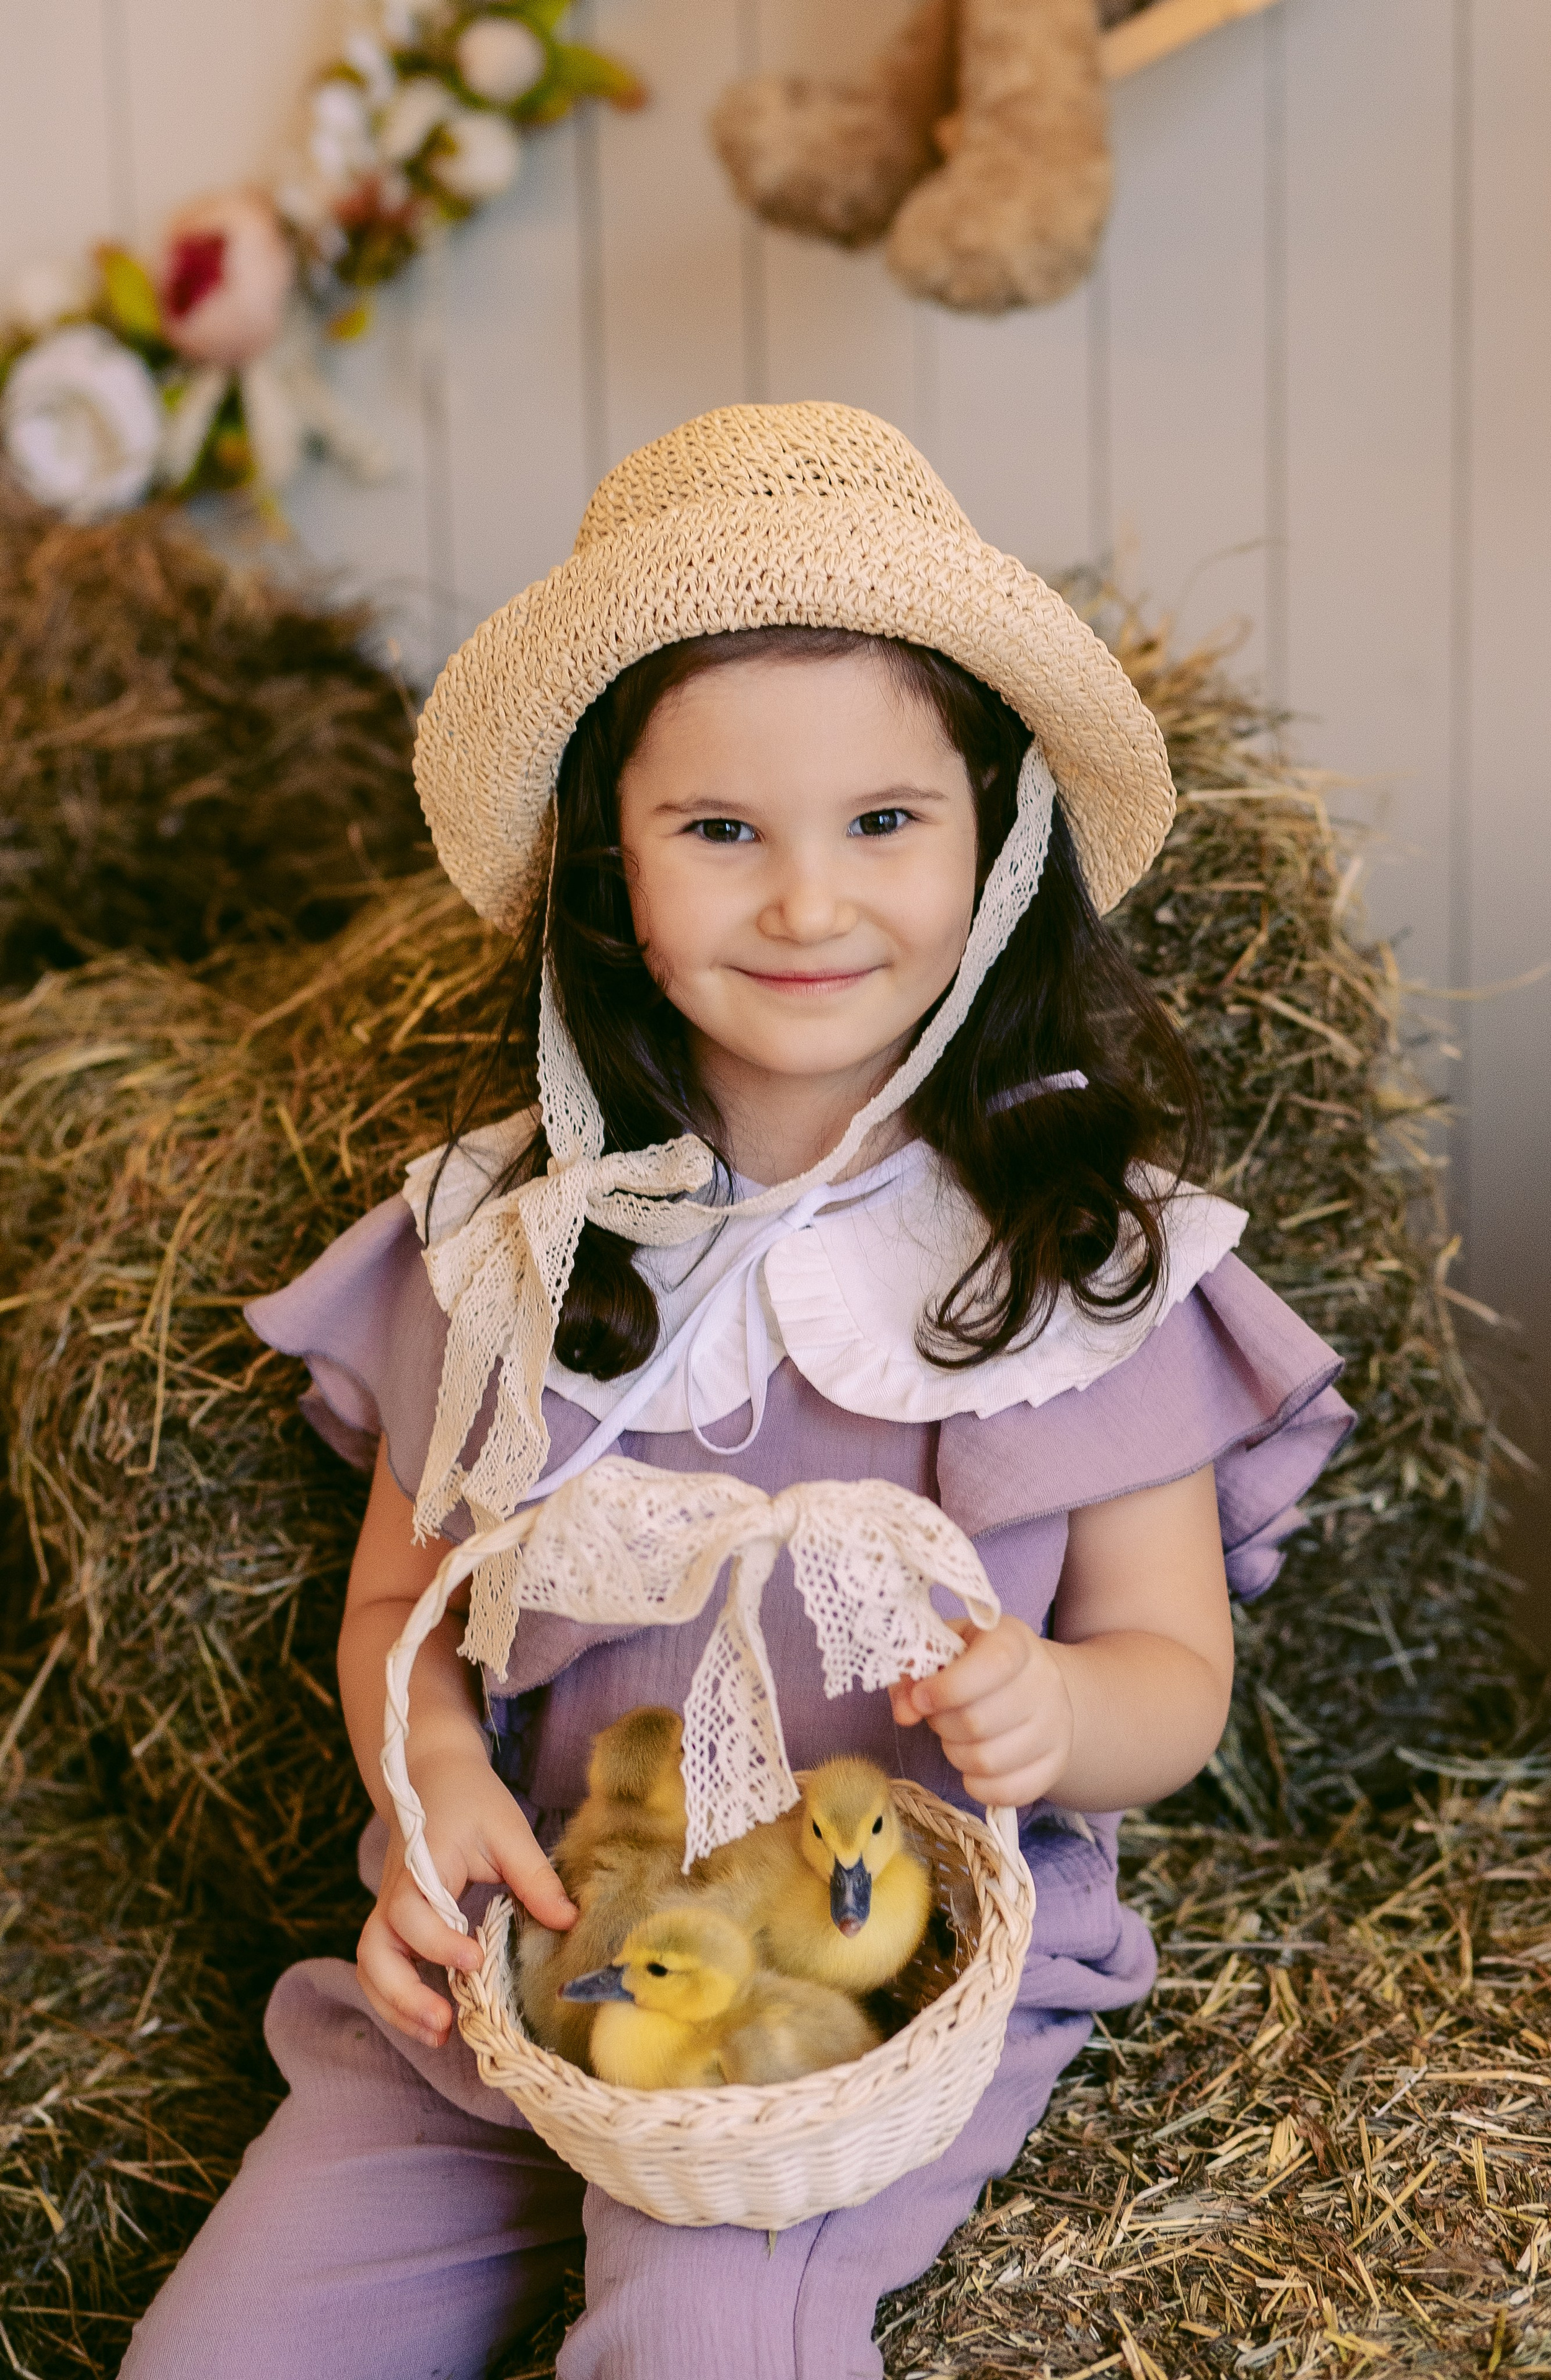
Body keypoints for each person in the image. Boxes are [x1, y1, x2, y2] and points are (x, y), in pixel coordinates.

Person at [121, 402, 1351, 2379]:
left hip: (866, 1989)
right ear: (612, 874)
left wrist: (1059, 1711)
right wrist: (436, 1789)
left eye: (883, 823)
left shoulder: (1067, 1257)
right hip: (541, 1944)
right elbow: (398, 1607)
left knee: (705, 2333)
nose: (805, 904)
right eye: (719, 831)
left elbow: (1173, 1676)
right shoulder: (515, 1246)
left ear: (995, 843)